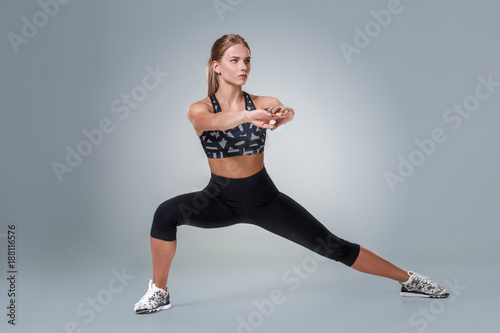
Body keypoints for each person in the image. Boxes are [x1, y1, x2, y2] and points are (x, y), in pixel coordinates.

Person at [134, 34, 448, 314]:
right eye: (234, 60)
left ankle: (410, 280)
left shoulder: (263, 102)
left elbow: (282, 109)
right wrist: (247, 116)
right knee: (165, 214)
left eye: (247, 60)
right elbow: (216, 123)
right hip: (218, 199)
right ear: (216, 66)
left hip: (265, 199)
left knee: (333, 246)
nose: (243, 66)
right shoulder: (199, 109)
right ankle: (159, 291)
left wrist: (284, 115)